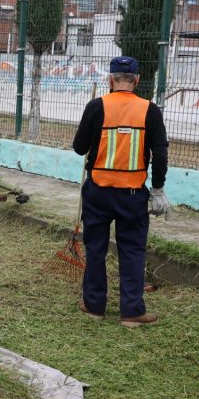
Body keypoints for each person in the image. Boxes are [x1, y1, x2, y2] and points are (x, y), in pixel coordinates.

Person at [72, 56, 170, 328]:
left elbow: (79, 148)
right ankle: (132, 312)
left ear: (110, 80)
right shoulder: (149, 110)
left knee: (96, 249)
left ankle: (93, 306)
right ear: (137, 80)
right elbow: (160, 153)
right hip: (132, 195)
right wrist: (159, 188)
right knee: (132, 251)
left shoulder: (96, 106)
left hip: (98, 192)